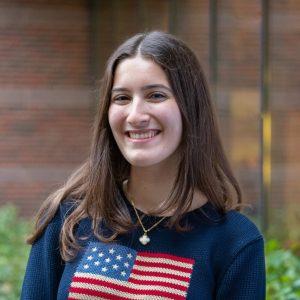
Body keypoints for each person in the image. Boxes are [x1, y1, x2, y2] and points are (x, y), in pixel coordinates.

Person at [21, 31, 266, 299]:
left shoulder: (236, 241)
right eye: (122, 98)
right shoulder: (67, 218)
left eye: (156, 95)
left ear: (191, 108)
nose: (136, 115)